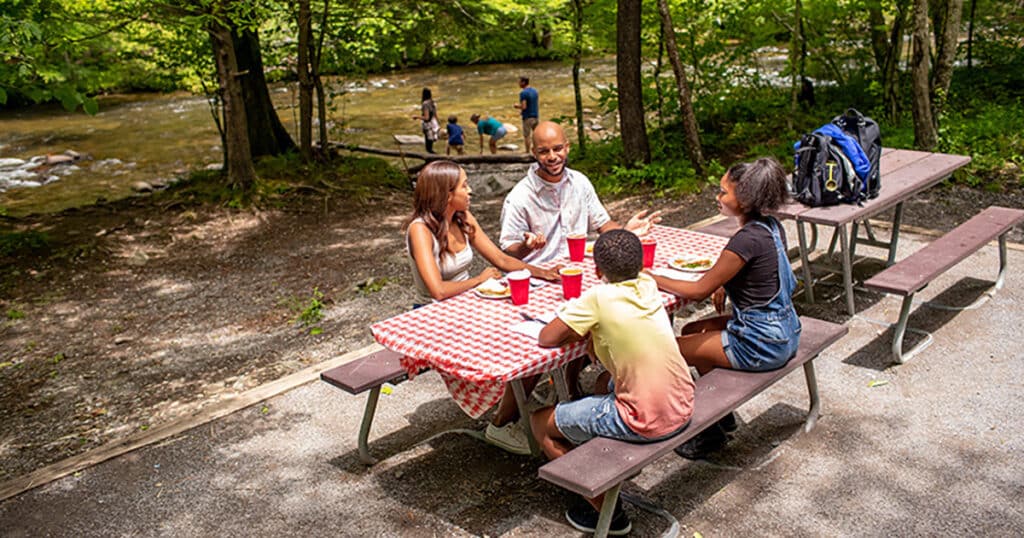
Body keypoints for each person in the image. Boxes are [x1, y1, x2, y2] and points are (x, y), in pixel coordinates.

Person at [531, 229, 695, 535]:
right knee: (604, 380)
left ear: (596, 271)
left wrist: (587, 325)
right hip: (683, 403)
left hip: (646, 420)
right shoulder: (647, 283)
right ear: (640, 263)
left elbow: (547, 336)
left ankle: (606, 508)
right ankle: (598, 458)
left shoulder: (597, 298)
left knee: (540, 422)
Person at [403, 160, 560, 454]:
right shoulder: (420, 230)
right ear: (445, 193)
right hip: (432, 318)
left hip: (469, 307)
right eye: (464, 185)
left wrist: (540, 272)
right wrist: (479, 280)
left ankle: (517, 410)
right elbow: (437, 290)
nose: (470, 190)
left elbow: (500, 260)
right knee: (519, 346)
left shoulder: (462, 218)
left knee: (538, 334)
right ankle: (502, 423)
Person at [649, 157, 802, 459]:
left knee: (670, 351)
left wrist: (650, 276)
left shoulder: (746, 239)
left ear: (744, 199)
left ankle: (706, 431)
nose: (717, 198)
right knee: (694, 329)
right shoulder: (769, 227)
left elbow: (697, 291)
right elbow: (751, 270)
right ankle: (720, 413)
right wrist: (723, 282)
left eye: (722, 192)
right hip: (785, 328)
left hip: (762, 343)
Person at [499, 121, 663, 265]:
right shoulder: (519, 197)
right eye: (543, 151)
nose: (552, 157)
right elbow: (509, 251)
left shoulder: (580, 182)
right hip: (538, 276)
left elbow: (603, 225)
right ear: (534, 153)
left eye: (557, 149)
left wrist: (626, 232)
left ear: (567, 147)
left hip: (578, 269)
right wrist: (526, 247)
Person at [513, 76, 539, 153]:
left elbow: (524, 106)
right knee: (536, 135)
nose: (518, 83)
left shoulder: (523, 93)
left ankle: (527, 152)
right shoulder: (535, 91)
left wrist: (517, 106)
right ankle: (538, 150)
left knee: (527, 136)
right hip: (535, 116)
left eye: (519, 82)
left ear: (523, 82)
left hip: (527, 117)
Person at [412, 88, 440, 154]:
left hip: (427, 125)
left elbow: (426, 118)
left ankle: (433, 158)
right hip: (433, 124)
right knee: (431, 144)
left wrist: (416, 117)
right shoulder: (432, 102)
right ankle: (434, 156)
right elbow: (435, 115)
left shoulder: (425, 104)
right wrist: (438, 124)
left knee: (428, 147)